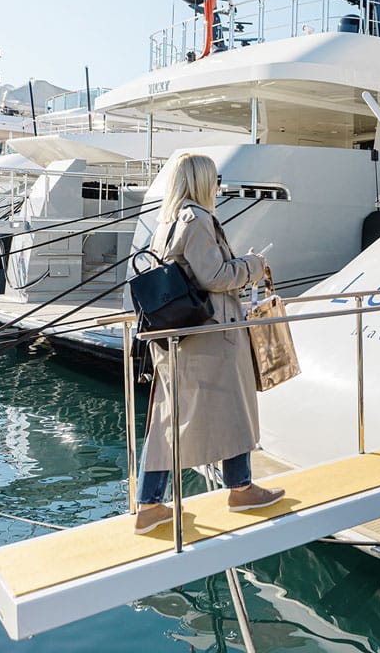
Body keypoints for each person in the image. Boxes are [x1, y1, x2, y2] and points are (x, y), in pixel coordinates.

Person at [133, 153, 283, 534]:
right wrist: (252, 264)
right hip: (210, 336)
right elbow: (215, 277)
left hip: (181, 336)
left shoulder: (168, 221)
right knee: (232, 409)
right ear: (201, 180)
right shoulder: (197, 219)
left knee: (170, 419)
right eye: (215, 178)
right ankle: (240, 489)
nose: (218, 184)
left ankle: (151, 504)